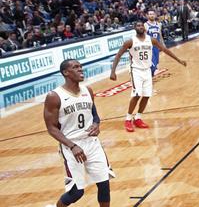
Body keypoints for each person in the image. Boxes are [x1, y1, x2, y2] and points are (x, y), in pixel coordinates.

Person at [43, 60, 114, 207]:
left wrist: (96, 124)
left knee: (104, 184)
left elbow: (94, 113)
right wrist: (72, 146)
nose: (81, 69)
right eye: (75, 67)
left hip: (92, 143)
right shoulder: (54, 96)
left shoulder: (88, 90)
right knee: (76, 192)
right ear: (65, 73)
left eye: (81, 66)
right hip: (71, 146)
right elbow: (51, 128)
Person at [110, 21, 187, 132]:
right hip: (136, 70)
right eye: (138, 25)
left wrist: (179, 60)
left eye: (141, 25)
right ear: (135, 28)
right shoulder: (130, 42)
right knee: (137, 94)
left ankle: (138, 118)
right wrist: (113, 72)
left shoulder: (151, 40)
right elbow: (118, 55)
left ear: (144, 28)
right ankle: (128, 119)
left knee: (146, 95)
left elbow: (165, 50)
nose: (140, 27)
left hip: (147, 70)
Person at [145, 10, 163, 76]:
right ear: (147, 16)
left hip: (156, 46)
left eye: (152, 14)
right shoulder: (145, 25)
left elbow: (160, 35)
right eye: (150, 14)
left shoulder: (158, 24)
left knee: (157, 63)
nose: (151, 15)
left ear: (155, 15)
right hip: (149, 46)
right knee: (153, 64)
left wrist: (163, 45)